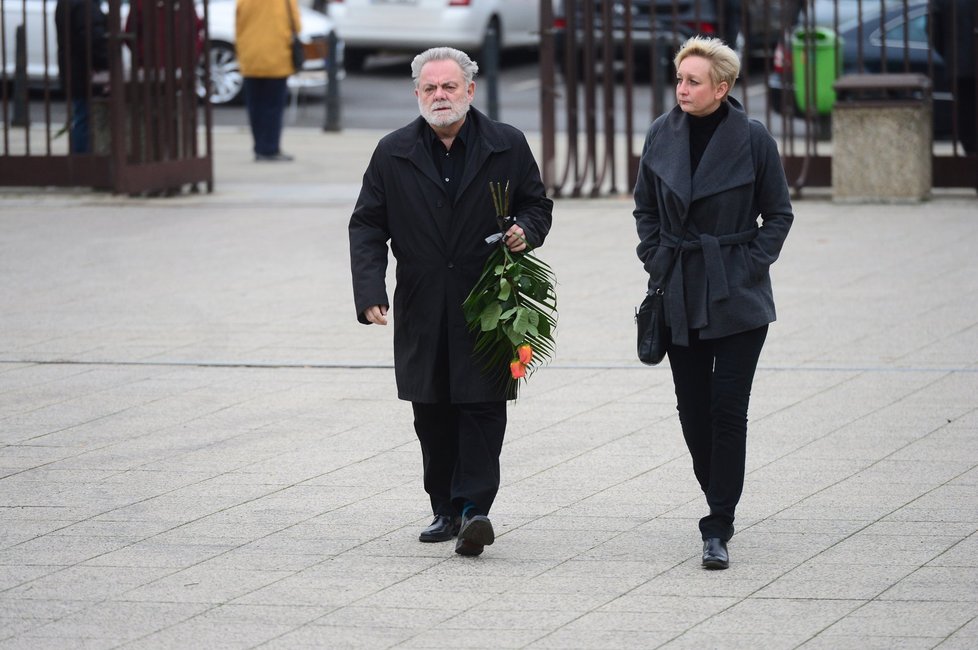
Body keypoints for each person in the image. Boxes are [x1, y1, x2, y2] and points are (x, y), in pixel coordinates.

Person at [348, 47, 553, 557]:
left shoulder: (506, 144)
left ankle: (473, 509)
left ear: (470, 91)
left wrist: (526, 229)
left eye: (450, 87)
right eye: (430, 88)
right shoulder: (392, 151)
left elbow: (536, 204)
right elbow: (367, 225)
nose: (441, 96)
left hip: (490, 299)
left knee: (483, 406)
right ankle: (444, 506)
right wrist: (370, 290)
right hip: (421, 302)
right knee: (431, 409)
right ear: (417, 94)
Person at [632, 36, 793, 570]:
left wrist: (748, 266)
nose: (682, 89)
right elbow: (645, 210)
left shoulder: (752, 139)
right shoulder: (661, 134)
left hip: (736, 291)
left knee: (729, 408)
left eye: (693, 81)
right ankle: (718, 493)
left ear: (721, 88)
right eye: (679, 79)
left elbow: (779, 214)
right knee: (693, 409)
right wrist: (656, 257)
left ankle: (717, 521)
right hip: (678, 285)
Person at [235, 0, 301, 162]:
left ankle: (259, 146)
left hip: (250, 58)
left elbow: (238, 24)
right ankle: (270, 148)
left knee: (255, 106)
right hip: (276, 58)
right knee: (273, 106)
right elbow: (296, 25)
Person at [54, 0, 109, 154]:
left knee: (82, 116)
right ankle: (82, 161)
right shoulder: (85, 5)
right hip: (85, 71)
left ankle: (80, 159)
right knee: (86, 119)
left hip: (75, 69)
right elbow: (92, 38)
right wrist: (108, 61)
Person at [933, 0, 976, 154]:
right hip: (959, 65)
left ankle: (971, 158)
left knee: (966, 117)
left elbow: (933, 32)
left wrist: (950, 54)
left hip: (958, 67)